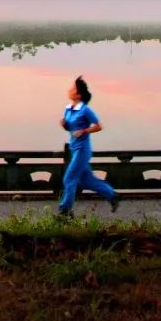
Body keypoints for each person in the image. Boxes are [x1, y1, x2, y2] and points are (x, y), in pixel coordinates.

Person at [58, 75, 119, 216]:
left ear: (78, 94)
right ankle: (112, 195)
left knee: (69, 179)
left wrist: (84, 130)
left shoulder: (85, 110)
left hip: (82, 149)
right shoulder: (68, 109)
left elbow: (99, 126)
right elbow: (71, 129)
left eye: (72, 88)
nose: (69, 89)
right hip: (74, 149)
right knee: (87, 181)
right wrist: (65, 125)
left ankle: (65, 210)